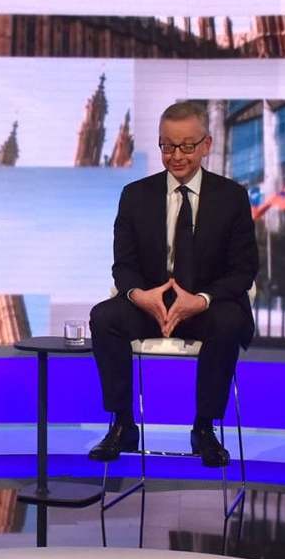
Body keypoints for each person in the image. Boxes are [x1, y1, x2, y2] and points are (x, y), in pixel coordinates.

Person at [87, 100, 256, 466]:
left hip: (204, 306)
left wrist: (202, 300)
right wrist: (140, 296)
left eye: (187, 146)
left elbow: (244, 270)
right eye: (167, 146)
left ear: (206, 145)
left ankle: (204, 427)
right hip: (151, 304)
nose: (176, 156)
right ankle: (122, 424)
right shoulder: (135, 195)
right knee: (104, 317)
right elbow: (123, 265)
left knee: (229, 321)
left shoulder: (232, 197)